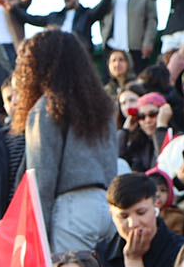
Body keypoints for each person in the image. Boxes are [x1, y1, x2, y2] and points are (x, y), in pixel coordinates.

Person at [16, 30, 121, 254]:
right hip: (106, 208)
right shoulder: (103, 105)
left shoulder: (46, 108)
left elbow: (41, 179)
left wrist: (35, 239)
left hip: (71, 209)